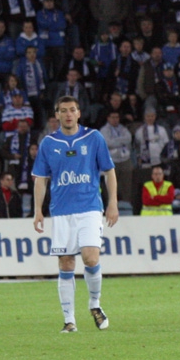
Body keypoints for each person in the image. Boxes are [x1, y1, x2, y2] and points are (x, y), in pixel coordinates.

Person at [33, 96, 119, 333]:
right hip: (61, 211)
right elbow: (40, 179)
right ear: (57, 115)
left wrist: (112, 203)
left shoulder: (93, 138)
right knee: (66, 262)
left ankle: (95, 304)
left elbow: (109, 171)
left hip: (90, 207)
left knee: (91, 258)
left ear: (79, 113)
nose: (68, 114)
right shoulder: (48, 143)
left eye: (72, 110)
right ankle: (69, 320)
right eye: (63, 111)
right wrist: (37, 210)